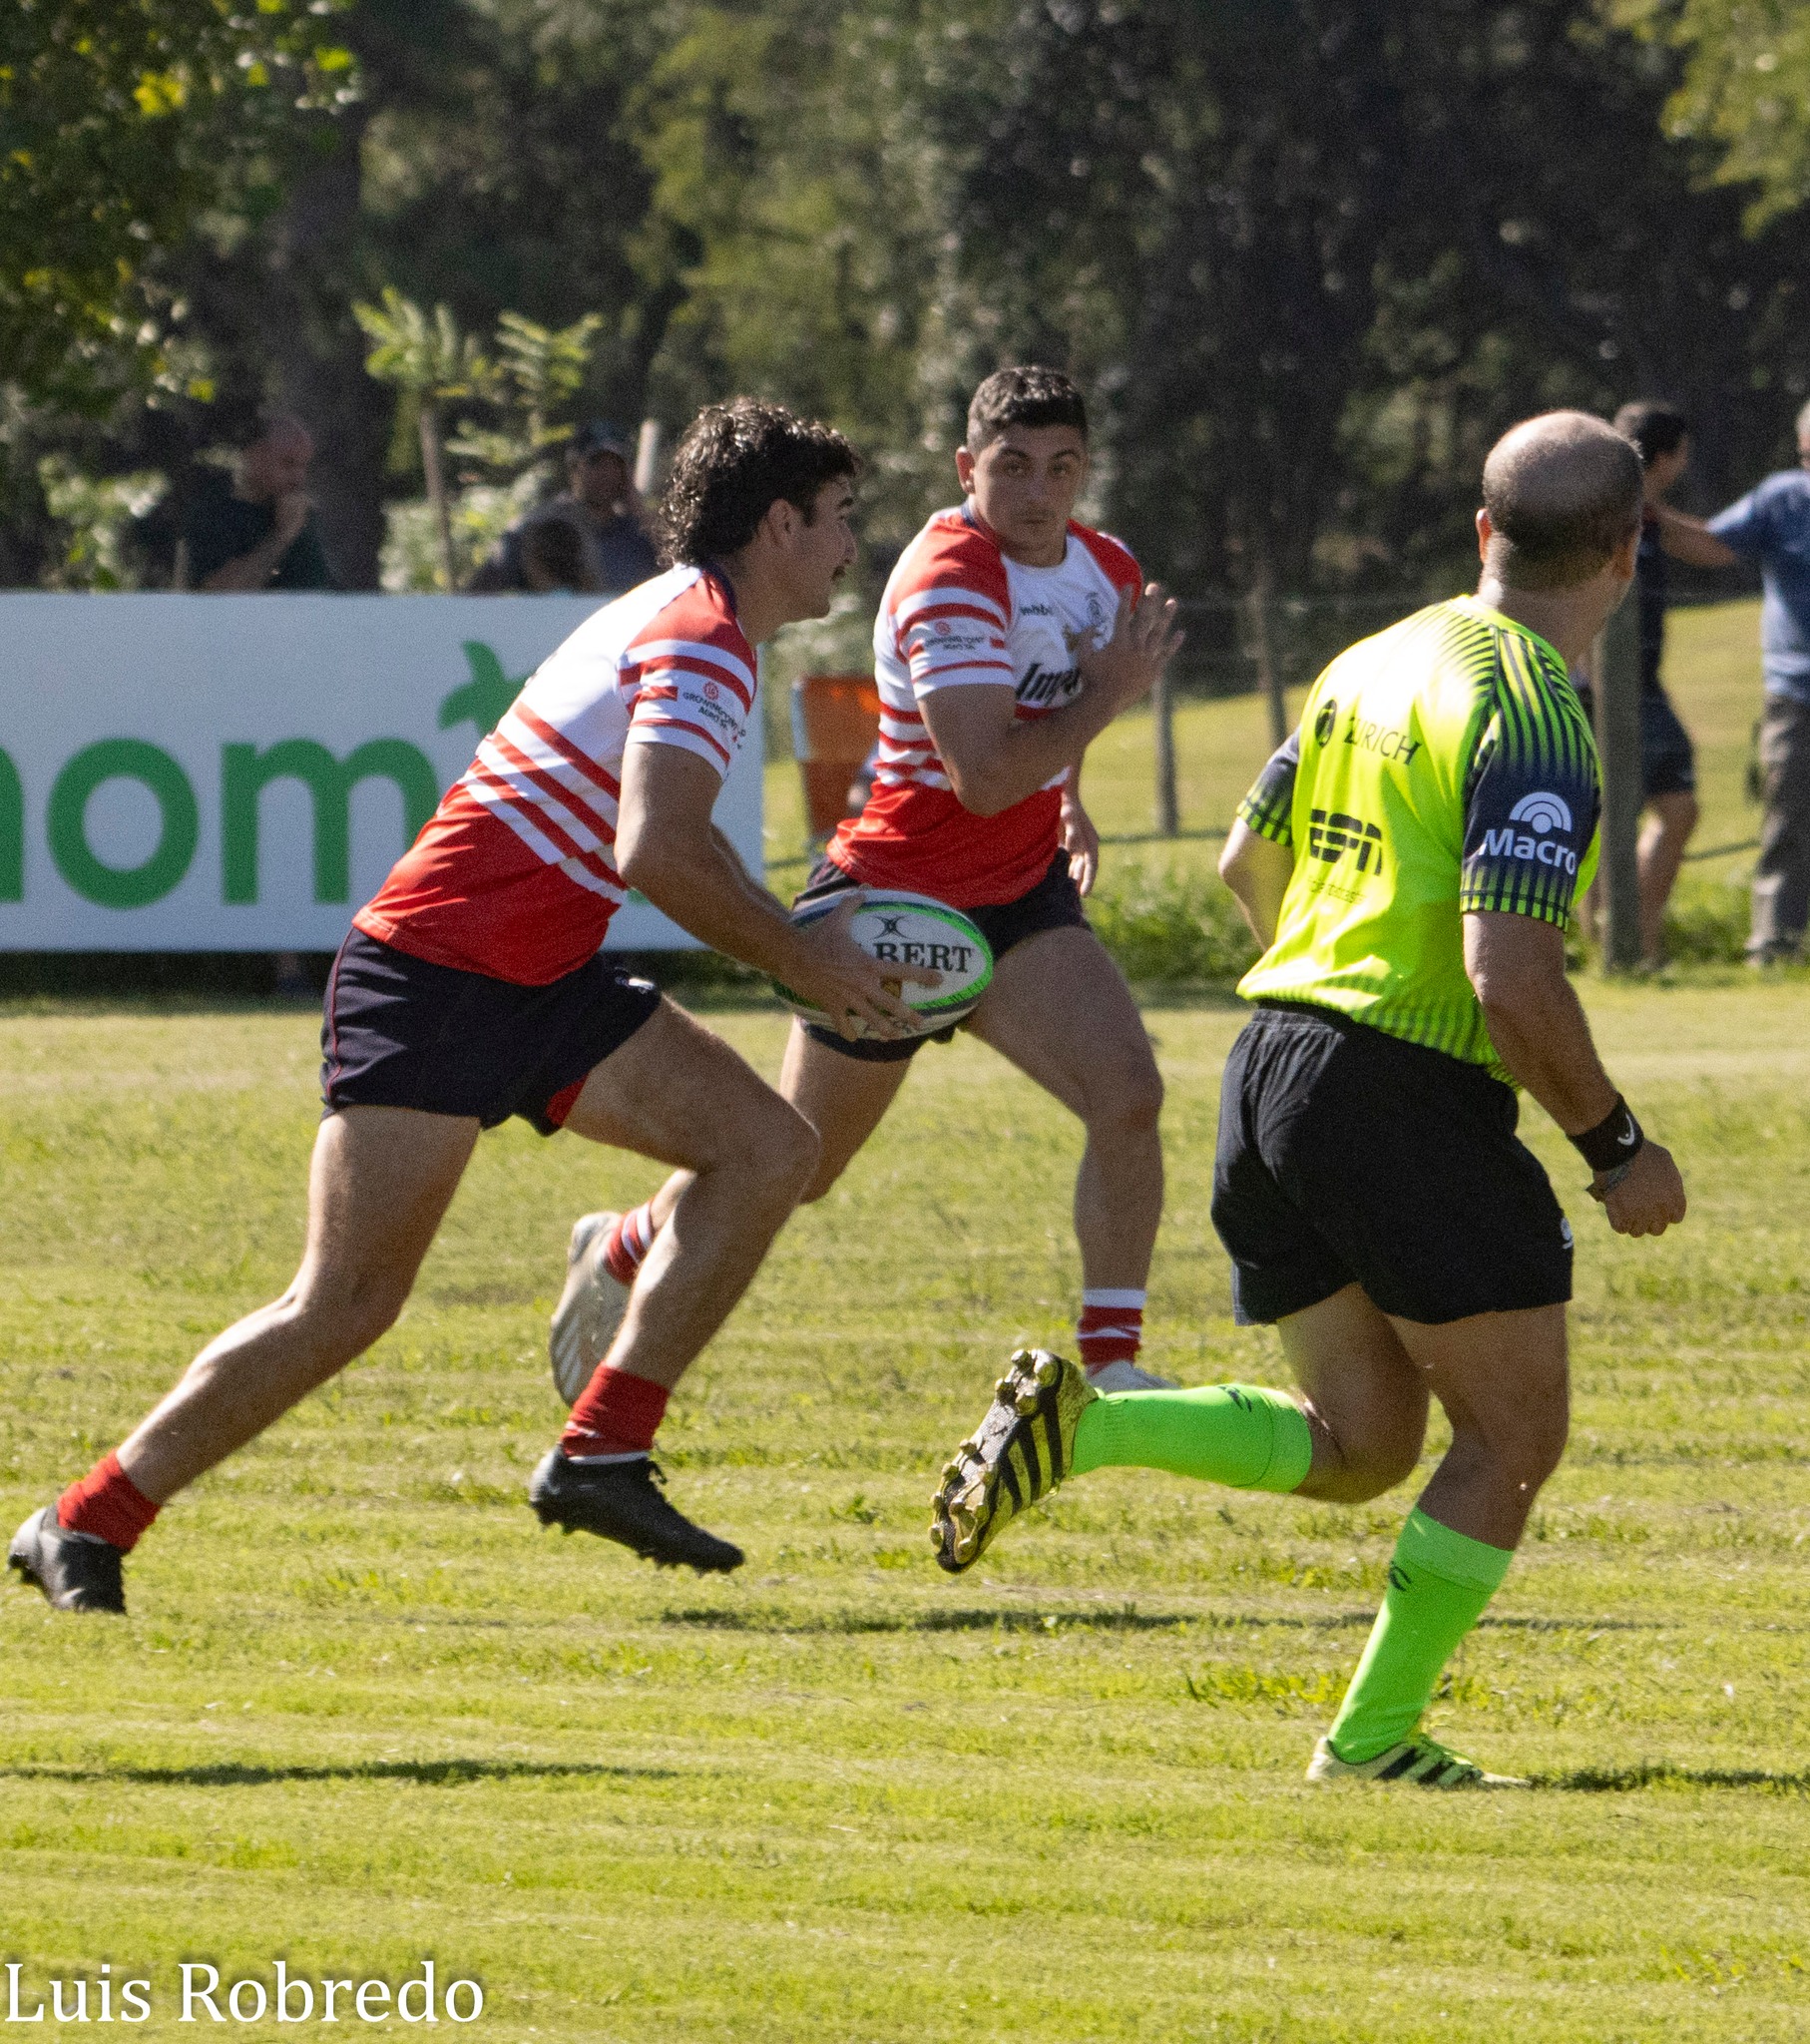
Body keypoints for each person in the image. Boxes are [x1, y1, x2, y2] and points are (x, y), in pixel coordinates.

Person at [9, 399, 929, 1616]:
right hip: (436, 977)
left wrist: (792, 936)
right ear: (776, 522)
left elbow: (660, 841)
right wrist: (803, 960)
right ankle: (81, 1518)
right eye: (837, 519)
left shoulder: (690, 623)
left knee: (768, 1148)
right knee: (341, 1303)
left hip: (538, 976)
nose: (849, 544)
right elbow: (657, 847)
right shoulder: (700, 635)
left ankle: (601, 1447)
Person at [928, 410, 1687, 1789]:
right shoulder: (1534, 711)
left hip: (1269, 1066)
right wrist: (1613, 1147)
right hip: (1393, 1087)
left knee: (1362, 1447)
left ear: (1479, 532)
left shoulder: (1370, 662)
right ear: (1628, 554)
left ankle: (1090, 1424)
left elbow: (1239, 861)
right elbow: (1506, 975)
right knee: (1513, 1438)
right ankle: (1372, 1740)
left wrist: (1328, 983)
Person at [547, 367, 1185, 1406]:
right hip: (894, 906)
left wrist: (1069, 798)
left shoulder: (1104, 566)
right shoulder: (947, 574)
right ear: (965, 466)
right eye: (1010, 466)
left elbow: (1040, 729)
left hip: (1020, 900)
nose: (1035, 492)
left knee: (1128, 1094)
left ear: (1085, 471)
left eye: (1060, 467)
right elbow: (980, 776)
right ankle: (619, 1243)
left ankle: (1111, 1366)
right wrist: (1108, 697)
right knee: (801, 1164)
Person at [1647, 398, 1810, 963]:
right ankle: (1775, 948)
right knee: (1786, 822)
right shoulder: (1783, 498)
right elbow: (1712, 544)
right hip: (1796, 693)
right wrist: (1649, 511)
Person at [469, 421, 660, 596]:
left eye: (615, 465)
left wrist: (640, 510)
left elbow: (680, 576)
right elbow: (477, 593)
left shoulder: (639, 533)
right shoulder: (543, 526)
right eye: (596, 464)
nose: (607, 474)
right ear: (574, 467)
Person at [181, 413, 338, 592]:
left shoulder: (301, 514)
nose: (299, 478)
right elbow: (219, 597)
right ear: (254, 455)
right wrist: (281, 537)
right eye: (288, 464)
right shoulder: (213, 511)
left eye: (304, 466)